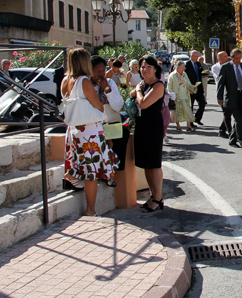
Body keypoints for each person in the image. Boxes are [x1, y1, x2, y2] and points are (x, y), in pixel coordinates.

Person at [61, 48, 119, 216]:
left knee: (82, 162)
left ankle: (71, 174)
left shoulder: (65, 80)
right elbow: (98, 105)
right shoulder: (84, 81)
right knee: (91, 171)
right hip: (89, 130)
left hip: (73, 129)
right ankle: (90, 210)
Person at [131, 55, 165, 213]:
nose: (145, 70)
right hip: (142, 125)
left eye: (148, 67)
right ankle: (153, 195)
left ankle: (158, 197)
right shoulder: (144, 84)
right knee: (146, 163)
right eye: (143, 67)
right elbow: (132, 95)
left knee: (154, 163)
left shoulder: (158, 85)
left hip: (153, 126)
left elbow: (143, 103)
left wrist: (137, 90)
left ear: (156, 69)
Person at [90, 55, 127, 187]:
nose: (101, 74)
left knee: (115, 145)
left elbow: (118, 106)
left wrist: (107, 89)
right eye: (97, 71)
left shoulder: (110, 83)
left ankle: (110, 174)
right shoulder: (86, 84)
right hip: (94, 124)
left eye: (102, 70)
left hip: (110, 122)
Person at [217, 49, 242, 151]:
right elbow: (221, 83)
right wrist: (220, 97)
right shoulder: (225, 68)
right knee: (239, 120)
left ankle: (232, 139)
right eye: (236, 58)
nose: (238, 60)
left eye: (240, 58)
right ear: (231, 58)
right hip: (232, 97)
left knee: (239, 120)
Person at [168, 60, 197, 132]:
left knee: (187, 110)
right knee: (177, 111)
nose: (184, 69)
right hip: (177, 96)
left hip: (185, 95)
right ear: (177, 68)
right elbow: (169, 87)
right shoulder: (172, 75)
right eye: (182, 67)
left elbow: (188, 83)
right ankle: (178, 126)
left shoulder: (184, 74)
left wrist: (192, 87)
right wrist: (172, 96)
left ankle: (188, 126)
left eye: (184, 67)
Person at [184, 50, 206, 125]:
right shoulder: (187, 64)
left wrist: (205, 73)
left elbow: (201, 72)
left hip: (199, 87)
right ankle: (190, 122)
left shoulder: (198, 64)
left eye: (197, 56)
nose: (197, 58)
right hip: (191, 88)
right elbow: (185, 77)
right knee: (191, 106)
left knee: (202, 104)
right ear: (191, 56)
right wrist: (188, 87)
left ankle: (197, 118)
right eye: (195, 56)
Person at [212, 51, 230, 138]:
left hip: (229, 91)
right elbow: (218, 77)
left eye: (227, 56)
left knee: (228, 112)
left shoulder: (229, 65)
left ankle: (223, 129)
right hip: (221, 92)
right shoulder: (215, 67)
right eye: (225, 56)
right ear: (219, 58)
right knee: (226, 112)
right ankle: (222, 130)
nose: (227, 58)